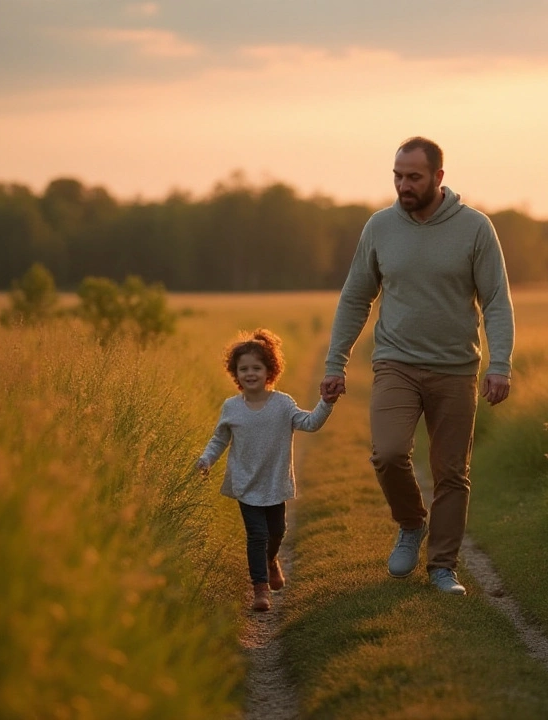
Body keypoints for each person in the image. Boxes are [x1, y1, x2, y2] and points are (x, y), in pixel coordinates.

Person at [320, 136, 514, 596]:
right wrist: (335, 362)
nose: (403, 185)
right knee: (387, 454)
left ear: (438, 178)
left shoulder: (476, 228)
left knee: (451, 473)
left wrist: (500, 363)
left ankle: (442, 567)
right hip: (396, 363)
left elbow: (497, 303)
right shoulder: (380, 227)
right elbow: (355, 298)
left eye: (413, 177)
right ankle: (411, 523)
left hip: (456, 369)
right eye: (397, 176)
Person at [196, 328, 338, 612]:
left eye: (256, 368)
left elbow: (309, 423)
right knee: (257, 535)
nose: (250, 373)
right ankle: (260, 589)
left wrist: (327, 403)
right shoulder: (232, 408)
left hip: (274, 482)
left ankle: (271, 560)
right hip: (245, 483)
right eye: (243, 369)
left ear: (269, 371)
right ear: (235, 374)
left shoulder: (283, 404)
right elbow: (220, 438)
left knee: (277, 531)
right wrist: (206, 459)